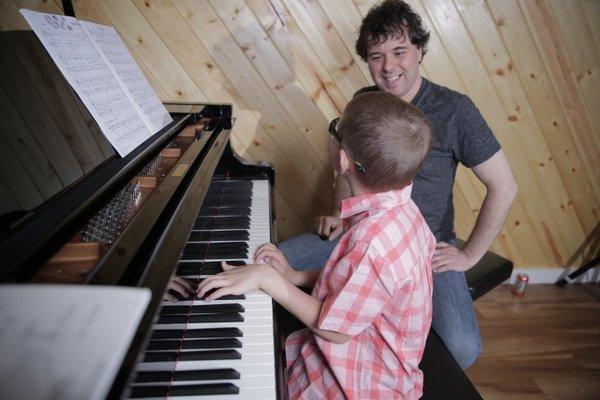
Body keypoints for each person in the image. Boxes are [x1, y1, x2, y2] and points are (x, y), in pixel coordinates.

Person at [279, 0, 518, 369]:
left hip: (426, 249)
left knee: (462, 346)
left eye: (399, 51)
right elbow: (346, 167)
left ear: (420, 50)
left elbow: (504, 186)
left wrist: (468, 255)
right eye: (377, 56)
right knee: (275, 263)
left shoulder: (456, 110)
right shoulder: (362, 102)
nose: (389, 66)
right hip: (357, 239)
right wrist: (336, 214)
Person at [197, 92, 435, 399]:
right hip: (366, 353)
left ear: (343, 159)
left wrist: (270, 281)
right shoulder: (402, 210)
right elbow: (360, 284)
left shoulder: (373, 243)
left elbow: (335, 330)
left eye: (336, 127)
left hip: (361, 383)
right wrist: (295, 277)